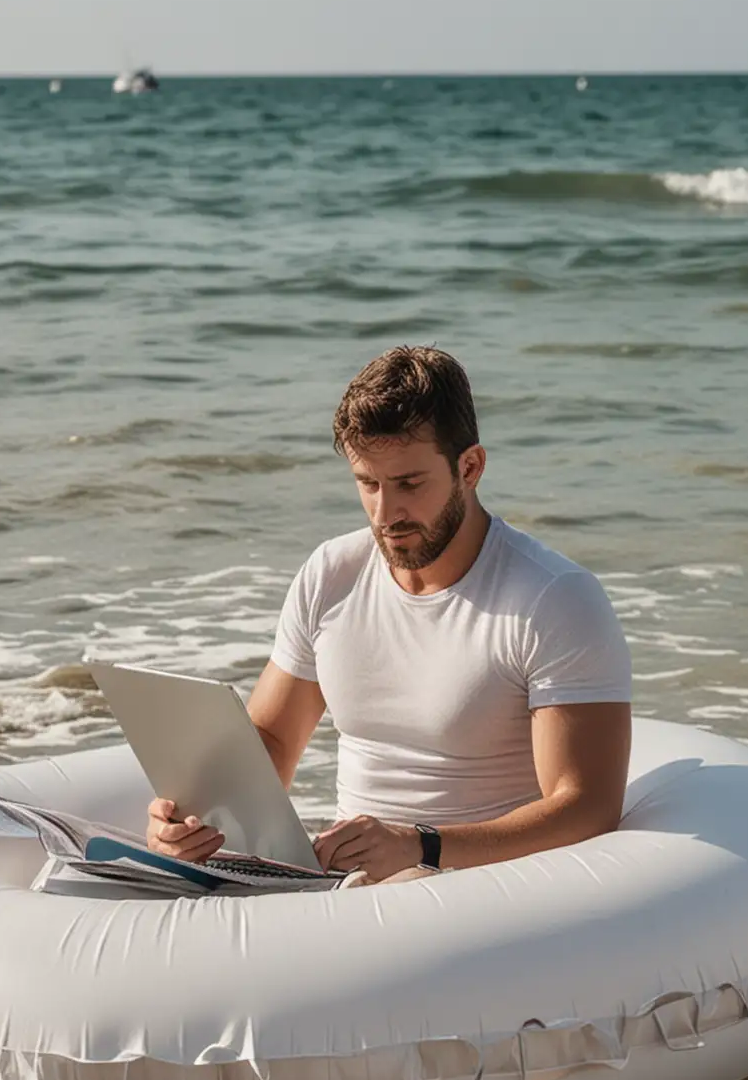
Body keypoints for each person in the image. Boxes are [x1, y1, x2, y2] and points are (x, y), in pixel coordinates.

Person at [145, 345, 633, 885]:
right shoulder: (332, 573)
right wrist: (196, 818)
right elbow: (273, 743)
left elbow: (587, 808)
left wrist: (421, 845)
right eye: (368, 483)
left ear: (469, 467)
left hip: (482, 889)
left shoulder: (553, 599)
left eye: (408, 484)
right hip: (347, 882)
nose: (385, 514)